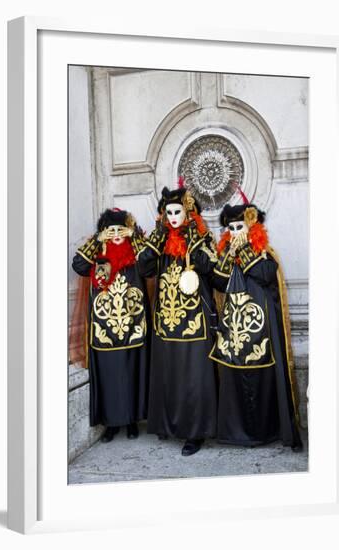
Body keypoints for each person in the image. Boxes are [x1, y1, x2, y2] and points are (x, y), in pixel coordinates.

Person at [135, 179, 219, 456]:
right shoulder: (160, 240)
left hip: (195, 321)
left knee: (194, 377)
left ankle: (194, 433)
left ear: (188, 213)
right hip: (167, 320)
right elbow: (144, 266)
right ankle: (168, 426)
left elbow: (208, 267)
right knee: (168, 374)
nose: (172, 218)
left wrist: (193, 236)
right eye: (168, 213)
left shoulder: (202, 238)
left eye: (177, 213)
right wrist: (159, 236)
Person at [210, 202, 303, 451]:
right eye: (231, 228)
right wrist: (230, 254)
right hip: (234, 329)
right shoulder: (227, 254)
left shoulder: (265, 252)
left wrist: (246, 252)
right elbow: (218, 282)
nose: (235, 232)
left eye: (240, 226)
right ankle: (237, 434)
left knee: (264, 377)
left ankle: (269, 431)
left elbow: (265, 274)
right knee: (235, 376)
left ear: (252, 226)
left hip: (262, 329)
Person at [70, 208, 149, 442]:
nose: (115, 233)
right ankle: (111, 424)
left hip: (132, 324)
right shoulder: (99, 255)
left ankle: (132, 420)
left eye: (120, 229)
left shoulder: (135, 252)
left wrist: (134, 235)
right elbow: (79, 266)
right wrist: (97, 241)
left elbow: (149, 264)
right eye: (110, 229)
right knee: (108, 374)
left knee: (131, 372)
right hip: (104, 328)